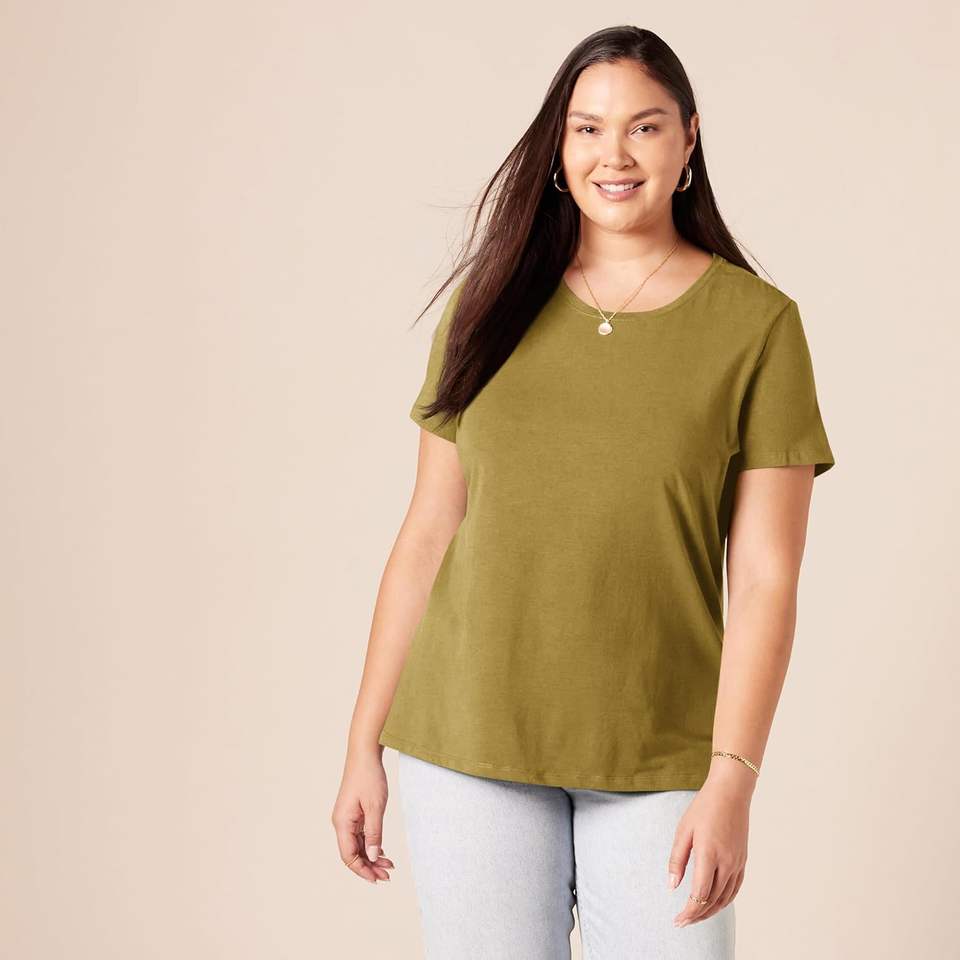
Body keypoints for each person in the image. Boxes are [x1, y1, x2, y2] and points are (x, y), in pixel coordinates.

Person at [332, 24, 836, 959]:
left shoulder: (758, 327)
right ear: (559, 148)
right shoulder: (488, 303)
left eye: (644, 127)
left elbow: (767, 576)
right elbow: (428, 531)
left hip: (662, 750)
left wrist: (732, 777)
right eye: (588, 128)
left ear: (688, 138)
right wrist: (364, 741)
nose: (615, 155)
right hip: (468, 739)